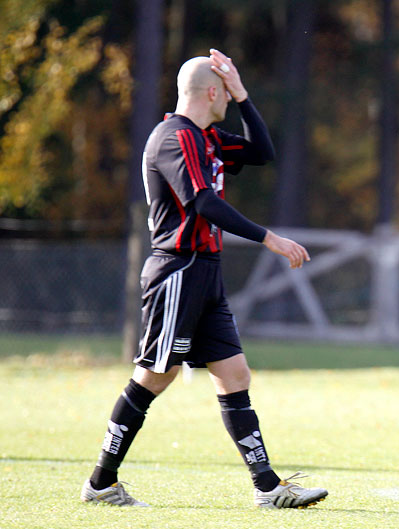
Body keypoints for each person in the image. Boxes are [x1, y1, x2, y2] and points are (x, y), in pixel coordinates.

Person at [80, 49, 328, 509]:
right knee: (157, 375)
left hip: (205, 273)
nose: (229, 104)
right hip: (178, 269)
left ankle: (268, 488)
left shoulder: (207, 136)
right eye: (226, 94)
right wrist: (267, 238)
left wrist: (243, 94)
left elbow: (262, 151)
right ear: (210, 92)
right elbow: (203, 203)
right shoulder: (174, 137)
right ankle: (100, 482)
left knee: (234, 374)